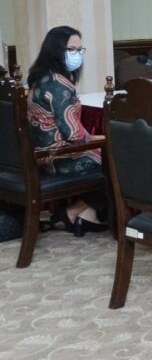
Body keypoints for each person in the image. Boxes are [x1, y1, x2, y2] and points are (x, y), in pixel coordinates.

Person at [26, 25, 107, 235]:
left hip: (40, 154)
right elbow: (74, 135)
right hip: (57, 157)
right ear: (56, 50)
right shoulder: (59, 84)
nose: (77, 55)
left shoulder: (41, 77)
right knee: (119, 159)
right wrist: (103, 138)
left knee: (111, 152)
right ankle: (74, 211)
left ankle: (83, 215)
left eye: (80, 50)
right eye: (71, 49)